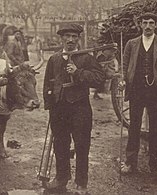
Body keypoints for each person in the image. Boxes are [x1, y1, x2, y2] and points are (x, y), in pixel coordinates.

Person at [43, 23, 105, 193]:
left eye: (74, 37)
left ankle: (81, 183)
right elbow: (48, 81)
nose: (70, 40)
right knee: (60, 144)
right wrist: (49, 104)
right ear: (61, 38)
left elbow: (99, 79)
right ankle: (61, 178)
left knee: (81, 145)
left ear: (78, 38)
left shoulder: (85, 57)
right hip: (58, 110)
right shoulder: (54, 58)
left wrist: (78, 72)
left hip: (80, 109)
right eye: (67, 37)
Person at [120, 12, 157, 177]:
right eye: (144, 23)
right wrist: (123, 80)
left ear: (156, 25)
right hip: (136, 91)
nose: (147, 26)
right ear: (140, 24)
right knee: (134, 128)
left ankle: (156, 166)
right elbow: (124, 66)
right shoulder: (131, 44)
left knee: (156, 129)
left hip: (156, 92)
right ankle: (130, 163)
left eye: (151, 23)